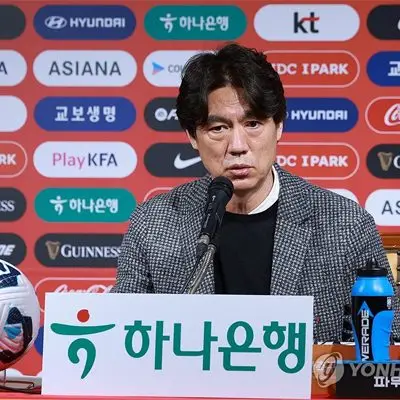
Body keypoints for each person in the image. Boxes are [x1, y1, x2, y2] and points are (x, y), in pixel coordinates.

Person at [111, 43, 400, 342]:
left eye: (252, 124)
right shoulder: (154, 223)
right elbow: (119, 334)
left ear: (278, 127)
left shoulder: (345, 224)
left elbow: (389, 342)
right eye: (218, 129)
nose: (237, 146)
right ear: (192, 137)